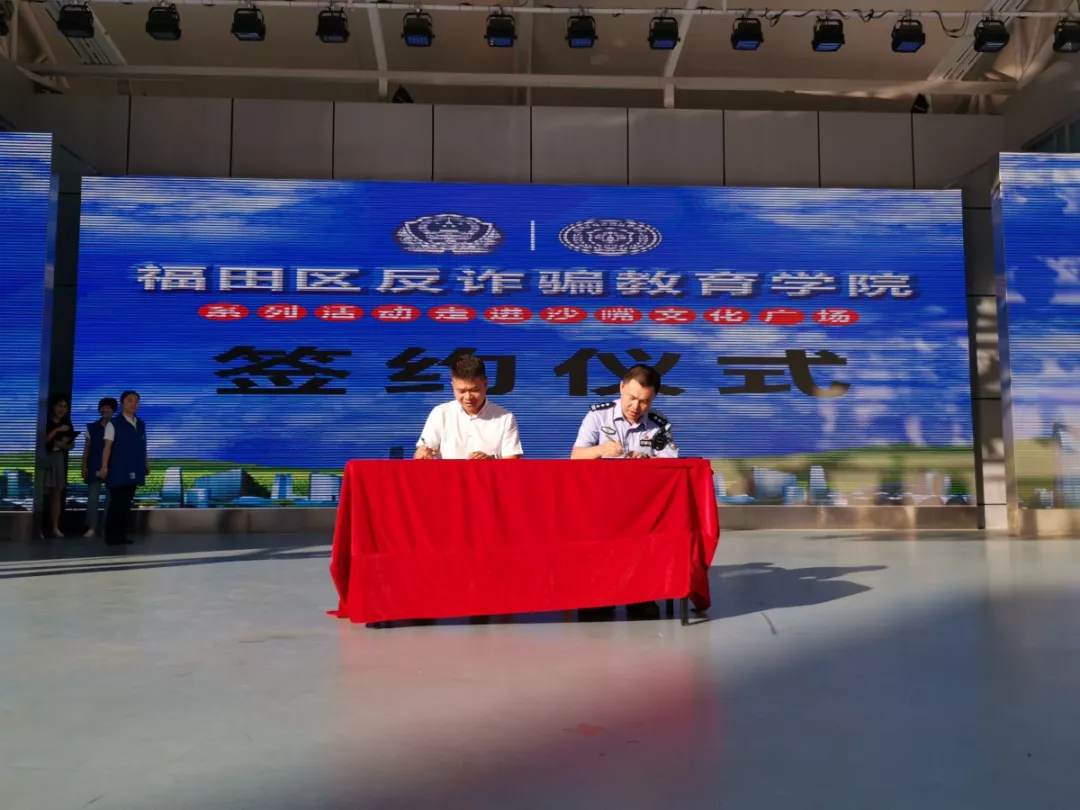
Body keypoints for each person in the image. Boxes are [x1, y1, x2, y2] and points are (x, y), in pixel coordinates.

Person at [570, 364, 679, 621]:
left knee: (643, 546)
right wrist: (600, 451)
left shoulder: (659, 425)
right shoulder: (598, 416)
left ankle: (640, 596)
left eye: (644, 401)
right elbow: (576, 456)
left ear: (653, 398)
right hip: (601, 503)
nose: (635, 406)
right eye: (631, 398)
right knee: (597, 549)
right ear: (621, 387)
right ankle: (598, 597)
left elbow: (672, 465)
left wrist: (649, 461)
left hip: (641, 507)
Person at [415, 354, 523, 460]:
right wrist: (423, 453)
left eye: (474, 390)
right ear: (453, 386)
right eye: (461, 391)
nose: (468, 397)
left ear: (486, 384)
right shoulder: (440, 413)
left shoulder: (505, 418)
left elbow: (512, 463)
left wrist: (490, 461)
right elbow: (421, 454)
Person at [98, 390, 149, 546]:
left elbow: (143, 445)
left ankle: (121, 535)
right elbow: (107, 447)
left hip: (135, 468)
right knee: (117, 503)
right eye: (130, 400)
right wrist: (104, 466)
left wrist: (146, 463)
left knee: (126, 503)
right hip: (118, 469)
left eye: (136, 401)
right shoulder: (114, 424)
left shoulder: (140, 424)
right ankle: (111, 536)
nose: (134, 404)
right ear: (122, 404)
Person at [81, 397, 118, 538]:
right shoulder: (92, 427)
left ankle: (106, 528)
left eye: (108, 407)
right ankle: (92, 527)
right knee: (92, 498)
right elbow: (87, 448)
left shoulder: (118, 427)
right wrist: (84, 466)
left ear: (113, 410)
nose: (105, 410)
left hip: (113, 467)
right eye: (103, 407)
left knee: (111, 500)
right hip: (94, 465)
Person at [41, 394, 76, 539]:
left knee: (56, 494)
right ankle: (38, 527)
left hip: (58, 458)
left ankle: (55, 527)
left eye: (65, 406)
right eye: (59, 405)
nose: (62, 409)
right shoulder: (45, 420)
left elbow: (72, 444)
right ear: (53, 406)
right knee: (41, 494)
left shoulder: (67, 423)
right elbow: (43, 440)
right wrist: (57, 430)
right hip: (44, 457)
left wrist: (64, 445)